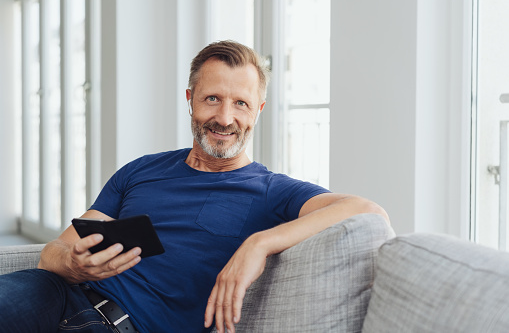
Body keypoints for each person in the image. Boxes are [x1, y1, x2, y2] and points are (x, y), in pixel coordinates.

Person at [0, 40, 388, 333]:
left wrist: (258, 243)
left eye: (240, 103)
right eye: (212, 99)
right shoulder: (140, 170)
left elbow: (368, 211)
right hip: (53, 294)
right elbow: (54, 252)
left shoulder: (272, 190)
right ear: (190, 100)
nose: (224, 117)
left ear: (258, 111)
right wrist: (73, 263)